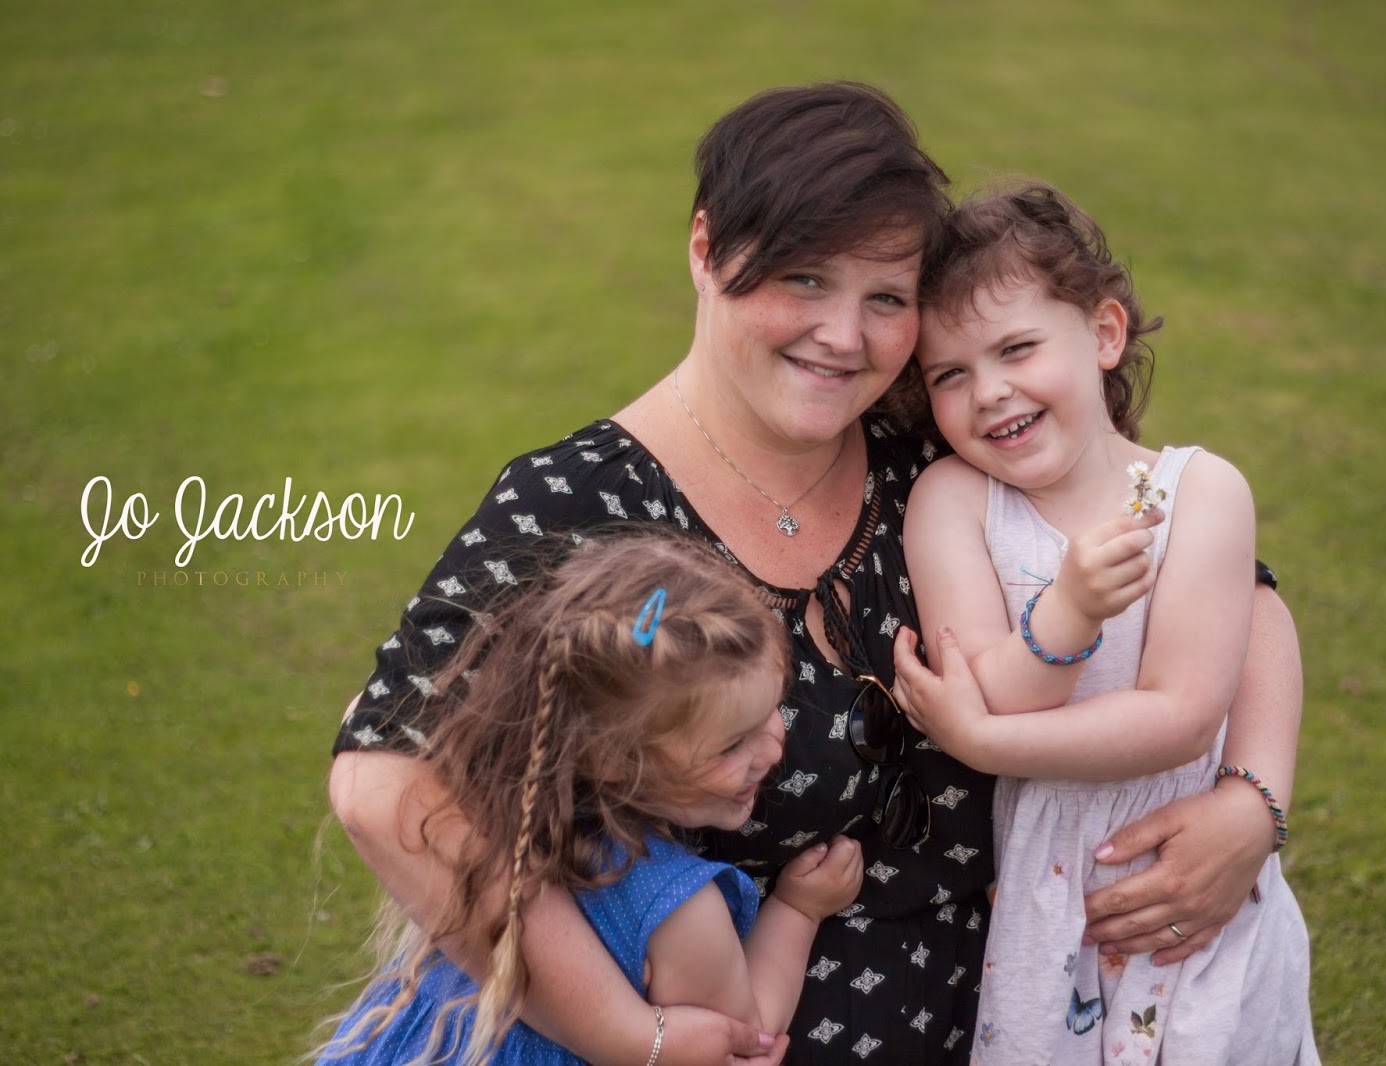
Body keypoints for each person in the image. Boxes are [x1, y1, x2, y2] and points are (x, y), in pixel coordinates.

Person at [327, 81, 1307, 1065]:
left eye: (885, 298)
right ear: (705, 249)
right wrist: (629, 1034)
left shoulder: (934, 443)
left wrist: (1250, 800)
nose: (844, 336)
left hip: (1037, 1016)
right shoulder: (579, 504)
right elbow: (384, 783)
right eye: (803, 280)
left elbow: (1231, 589)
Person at [891, 182, 1316, 1064]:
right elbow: (995, 692)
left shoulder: (1199, 494)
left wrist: (983, 743)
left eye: (1017, 348)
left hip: (1190, 877)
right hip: (1046, 897)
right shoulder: (953, 500)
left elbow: (1181, 717)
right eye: (950, 374)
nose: (989, 392)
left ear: (1105, 334)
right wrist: (1070, 610)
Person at [318, 533, 864, 1064]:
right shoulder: (681, 911)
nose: (772, 749)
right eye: (731, 745)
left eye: (772, 710)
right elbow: (743, 1040)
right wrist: (799, 910)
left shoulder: (493, 810)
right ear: (613, 760)